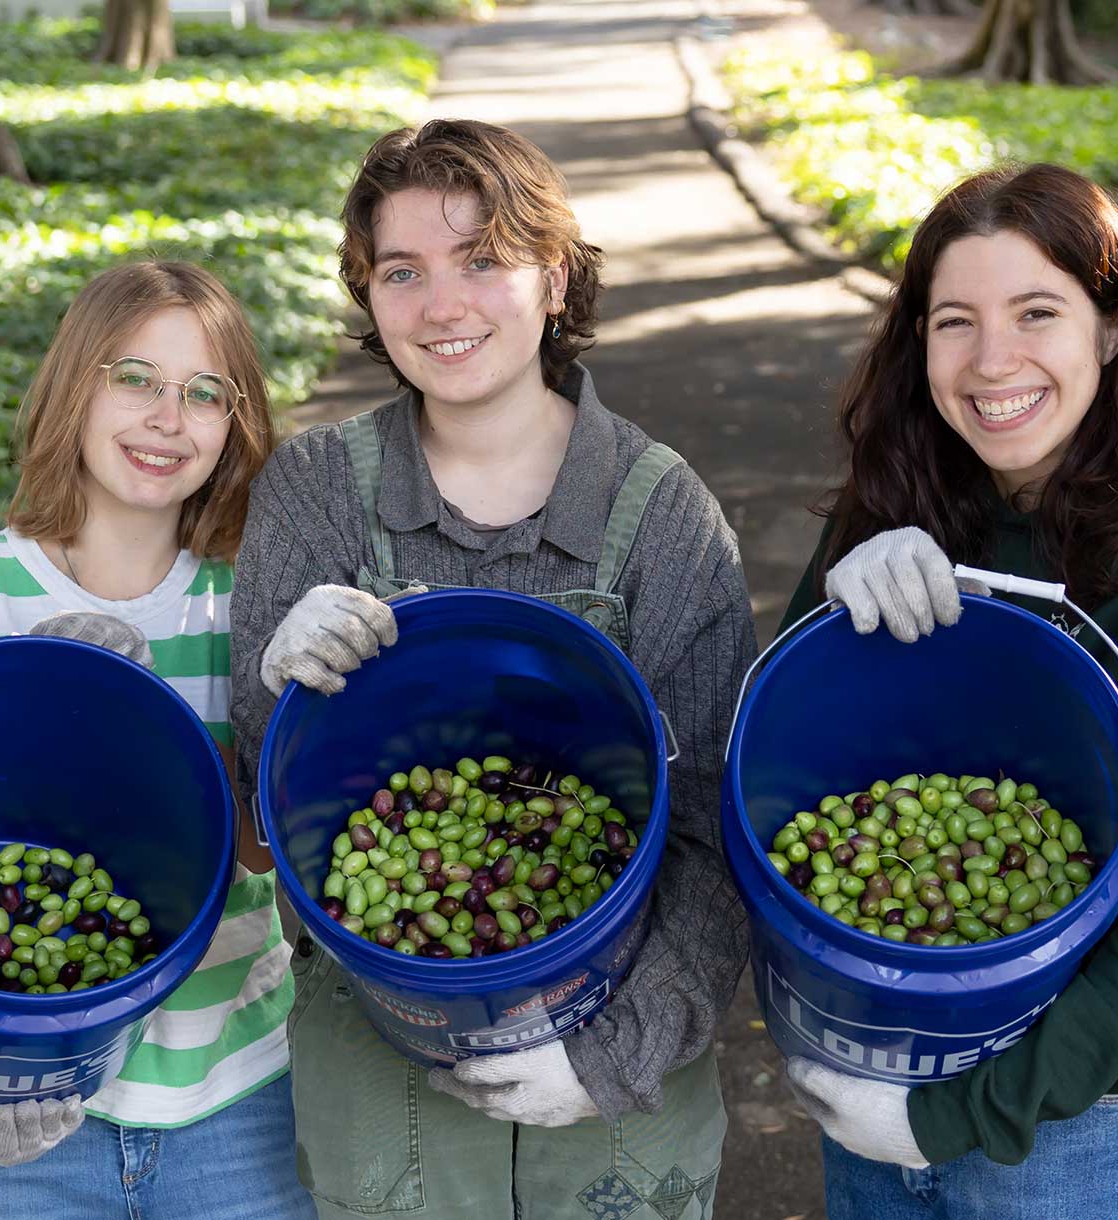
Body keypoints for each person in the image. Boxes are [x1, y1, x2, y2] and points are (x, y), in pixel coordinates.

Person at [229, 119, 756, 1219]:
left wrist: (617, 1050)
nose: (442, 305)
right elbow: (268, 812)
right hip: (383, 1056)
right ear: (368, 297)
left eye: (483, 259)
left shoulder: (661, 515)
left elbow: (714, 834)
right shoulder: (317, 491)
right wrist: (276, 688)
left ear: (554, 278)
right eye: (402, 271)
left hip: (621, 1056)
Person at [776, 162, 1118, 1220]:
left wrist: (943, 1117)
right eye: (953, 321)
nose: (991, 359)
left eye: (1037, 311)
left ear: (1110, 328)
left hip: (1065, 1129)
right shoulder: (907, 490)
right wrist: (840, 595)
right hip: (884, 1056)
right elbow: (780, 747)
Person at [0, 260, 315, 1219]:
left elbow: (260, 850)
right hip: (7, 1122)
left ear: (235, 425)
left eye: (205, 393)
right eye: (135, 379)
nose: (168, 417)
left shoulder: (249, 606)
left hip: (231, 1104)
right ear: (76, 384)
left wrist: (167, 736)